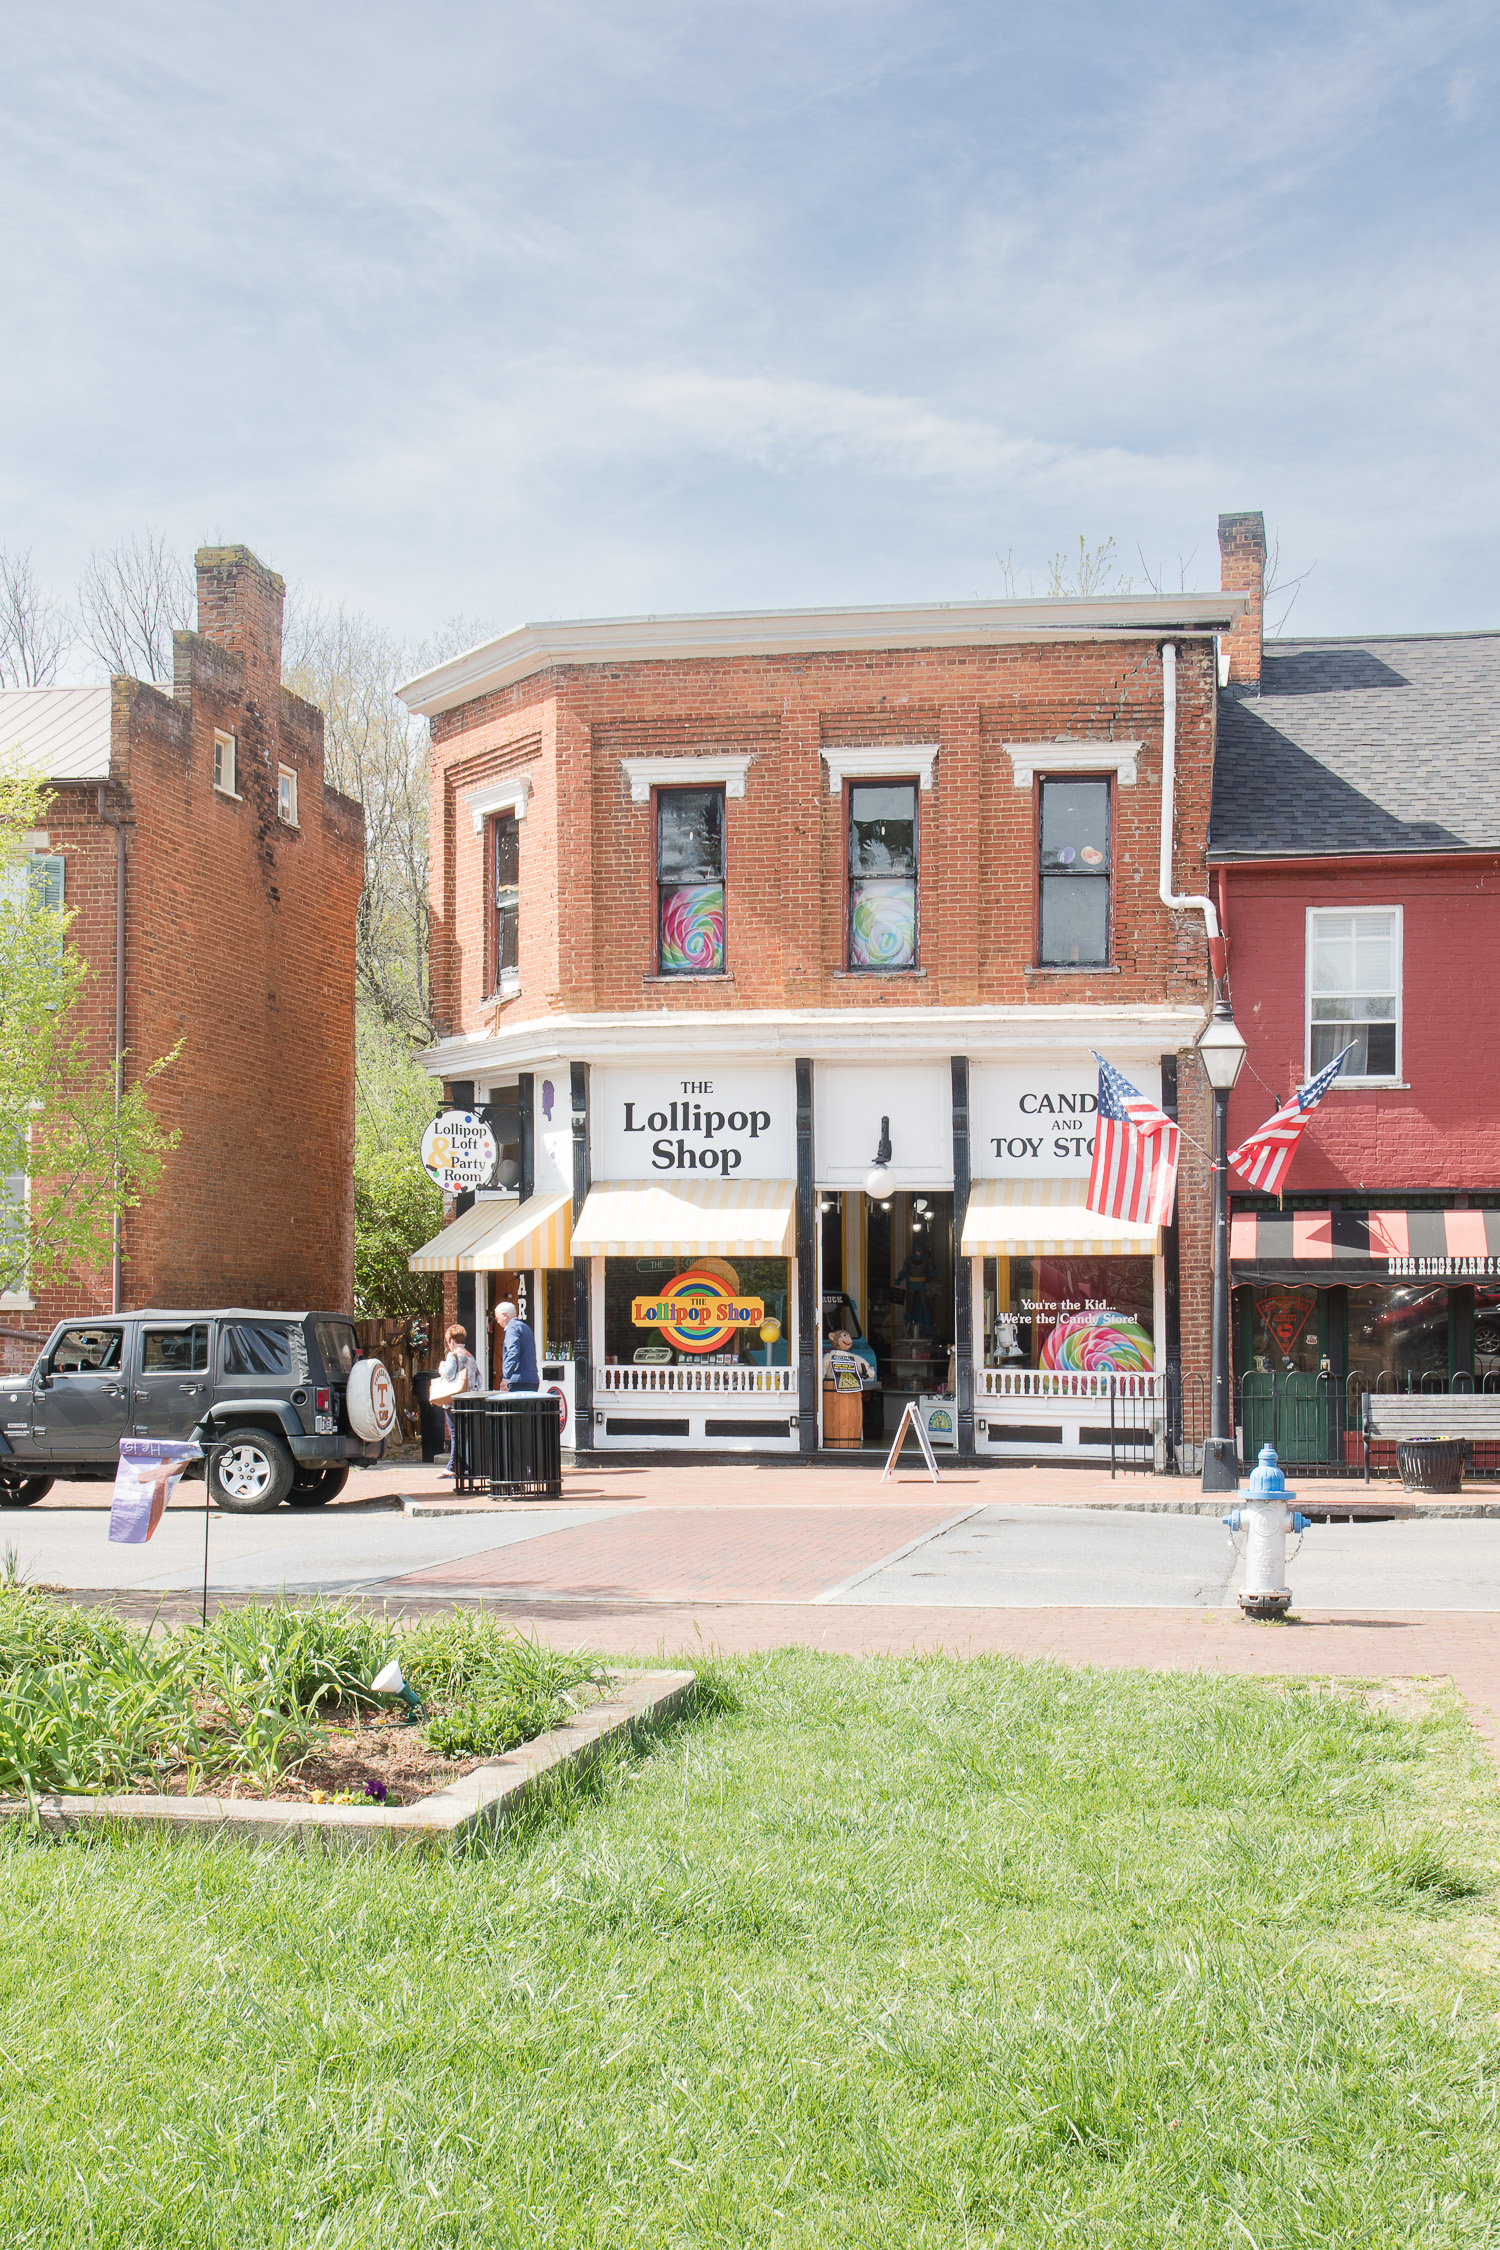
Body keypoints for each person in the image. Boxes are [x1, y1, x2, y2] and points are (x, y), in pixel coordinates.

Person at [436, 1323, 480, 1478]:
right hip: (469, 1400)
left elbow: (448, 1374)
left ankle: (452, 1467)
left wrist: (441, 1368)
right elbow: (478, 1380)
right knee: (465, 1434)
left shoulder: (452, 1355)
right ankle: (465, 1466)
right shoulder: (470, 1356)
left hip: (454, 1400)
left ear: (451, 1341)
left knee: (455, 1434)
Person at [495, 1299, 539, 1393]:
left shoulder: (512, 1328)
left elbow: (513, 1353)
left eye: (497, 1318)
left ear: (504, 1315)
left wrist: (506, 1377)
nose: (498, 1322)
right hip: (532, 1379)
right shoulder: (524, 1327)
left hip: (518, 1380)